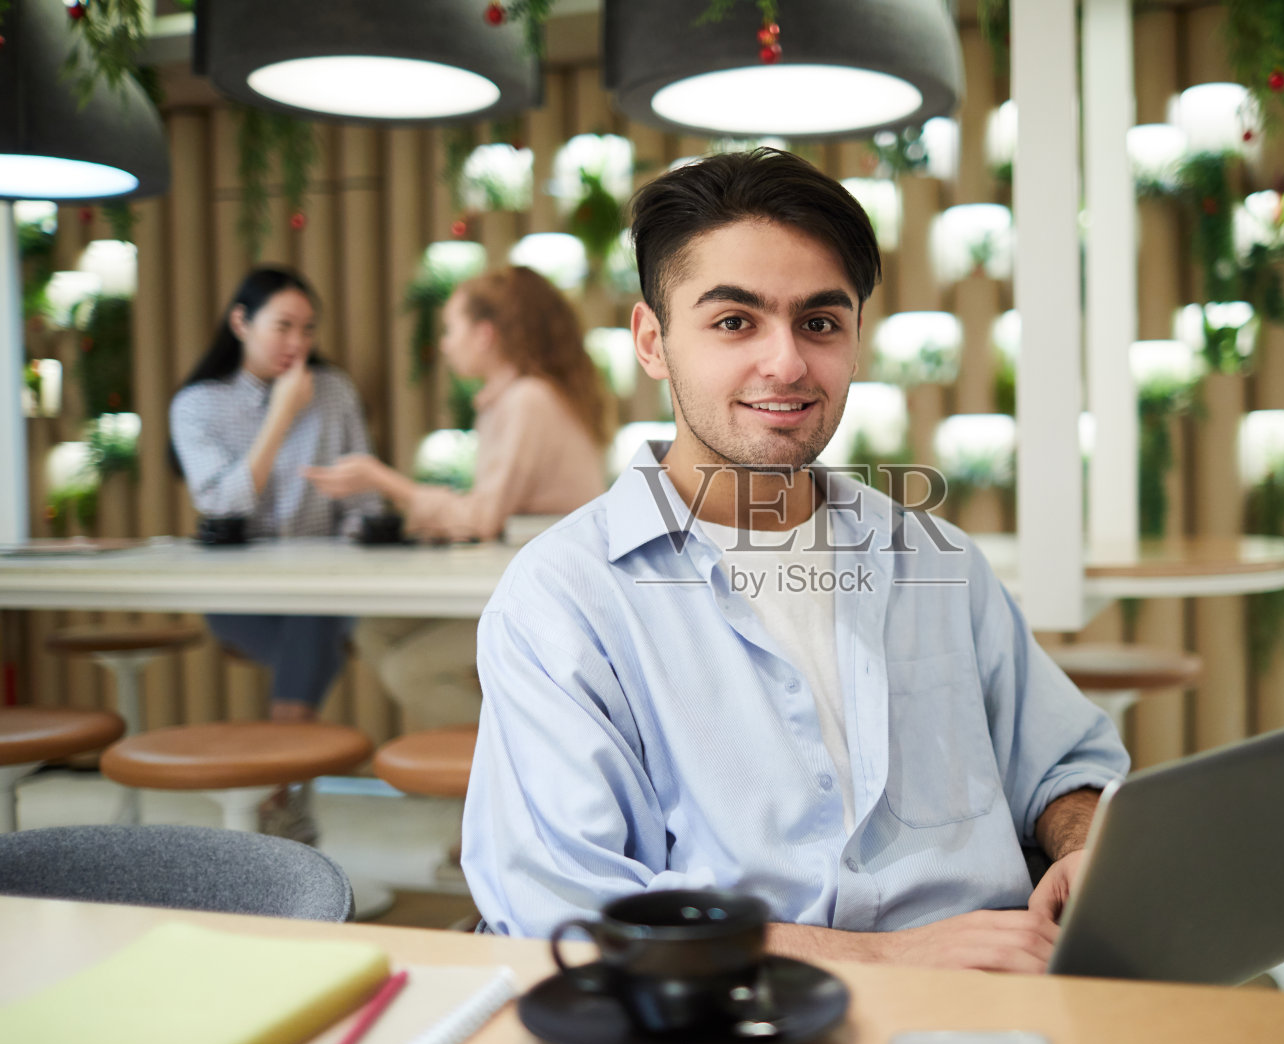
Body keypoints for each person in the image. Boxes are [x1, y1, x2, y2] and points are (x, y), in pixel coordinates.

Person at [461, 149, 1129, 974]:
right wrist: (888, 959)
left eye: (819, 321)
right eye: (734, 321)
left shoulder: (934, 557)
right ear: (653, 341)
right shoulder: (563, 599)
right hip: (731, 1015)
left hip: (1000, 993)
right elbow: (565, 909)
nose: (786, 363)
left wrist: (1081, 845)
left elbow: (1066, 763)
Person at [304, 266, 609, 731]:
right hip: (530, 585)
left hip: (557, 600)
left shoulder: (528, 400)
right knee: (372, 629)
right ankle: (516, 749)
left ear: (484, 334)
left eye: (450, 329)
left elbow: (483, 519)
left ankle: (534, 756)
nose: (444, 343)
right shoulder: (517, 400)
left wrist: (386, 482)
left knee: (409, 670)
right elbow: (492, 510)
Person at [170, 265, 380, 725]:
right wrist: (281, 414)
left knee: (313, 609)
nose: (298, 343)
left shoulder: (335, 391)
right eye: (282, 327)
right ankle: (285, 782)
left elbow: (364, 502)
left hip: (325, 584)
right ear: (241, 322)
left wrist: (352, 542)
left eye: (307, 329)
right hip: (238, 592)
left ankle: (281, 782)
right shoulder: (197, 404)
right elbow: (220, 503)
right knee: (312, 632)